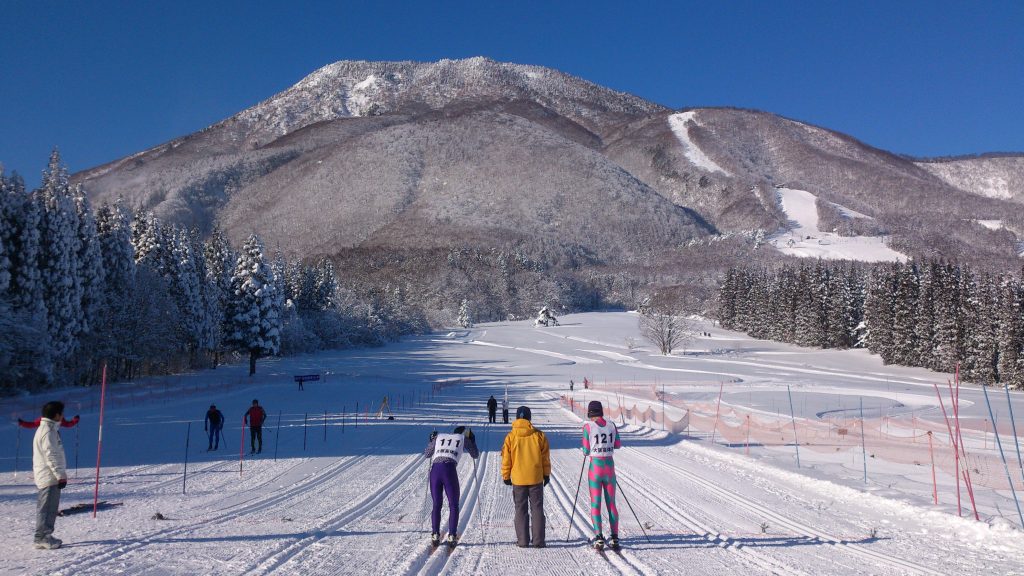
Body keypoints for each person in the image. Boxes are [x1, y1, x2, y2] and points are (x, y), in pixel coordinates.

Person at [501, 406, 551, 548]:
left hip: (518, 479)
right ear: (529, 418)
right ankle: (539, 541)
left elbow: (506, 458)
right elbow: (545, 458)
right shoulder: (539, 435)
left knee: (520, 509)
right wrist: (546, 475)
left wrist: (506, 475)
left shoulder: (510, 437)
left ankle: (522, 541)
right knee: (537, 508)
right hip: (535, 478)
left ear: (517, 418)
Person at [424, 425, 480, 548]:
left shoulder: (439, 436)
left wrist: (431, 440)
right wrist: (472, 441)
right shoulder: (463, 438)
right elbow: (475, 454)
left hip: (435, 470)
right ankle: (452, 535)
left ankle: (435, 534)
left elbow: (427, 454)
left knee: (436, 504)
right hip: (449, 470)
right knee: (453, 504)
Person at [582, 400, 622, 550]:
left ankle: (599, 537)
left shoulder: (588, 427)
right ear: (601, 412)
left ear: (590, 413)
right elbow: (617, 445)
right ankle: (615, 537)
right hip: (609, 467)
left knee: (595, 503)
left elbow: (586, 451)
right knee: (611, 503)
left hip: (595, 469)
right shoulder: (612, 425)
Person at [32, 401, 68, 550]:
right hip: (48, 476)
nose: (63, 416)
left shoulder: (50, 428)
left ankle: (45, 535)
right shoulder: (47, 431)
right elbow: (51, 455)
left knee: (51, 508)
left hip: (50, 475)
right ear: (56, 414)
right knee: (46, 508)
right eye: (61, 413)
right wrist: (60, 475)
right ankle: (41, 537)